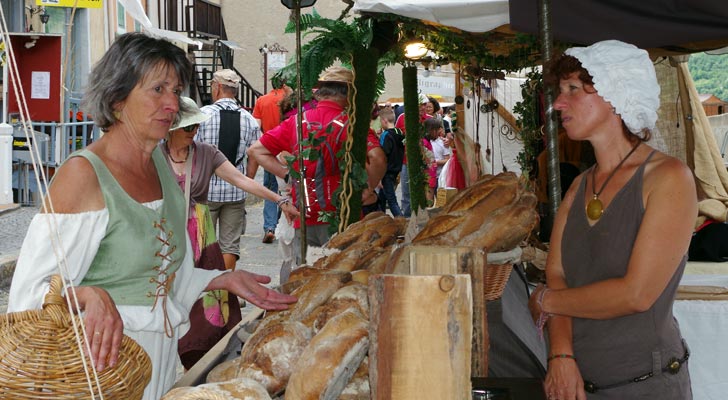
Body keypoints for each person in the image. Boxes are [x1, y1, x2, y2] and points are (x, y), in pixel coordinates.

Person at [6, 33, 297, 400]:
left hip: (158, 359)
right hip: (97, 370)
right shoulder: (83, 175)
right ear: (117, 98)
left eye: (176, 90)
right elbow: (27, 298)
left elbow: (162, 273)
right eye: (158, 89)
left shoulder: (159, 163)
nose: (172, 104)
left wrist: (221, 279)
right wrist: (85, 294)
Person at [527, 40, 696, 400]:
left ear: (617, 92)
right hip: (575, 384)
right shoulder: (578, 186)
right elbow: (556, 275)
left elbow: (636, 294)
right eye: (561, 91)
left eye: (573, 89)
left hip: (645, 386)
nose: (559, 103)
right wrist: (560, 354)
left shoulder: (668, 178)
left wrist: (546, 302)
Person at [161, 97, 299, 369]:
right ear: (171, 128)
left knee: (208, 305)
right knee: (166, 298)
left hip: (200, 236)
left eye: (196, 127)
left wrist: (279, 200)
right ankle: (165, 351)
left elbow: (242, 180)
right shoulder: (153, 155)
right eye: (188, 128)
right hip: (164, 235)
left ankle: (198, 363)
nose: (194, 132)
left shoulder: (207, 153)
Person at [248, 66, 383, 282]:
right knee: (340, 277)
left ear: (320, 92)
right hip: (343, 215)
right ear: (349, 94)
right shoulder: (352, 124)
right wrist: (367, 188)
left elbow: (256, 151)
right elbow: (377, 158)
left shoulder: (296, 122)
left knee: (308, 277)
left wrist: (287, 174)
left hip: (305, 214)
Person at [196, 69, 261, 271]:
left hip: (205, 191)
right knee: (230, 246)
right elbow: (255, 153)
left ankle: (205, 295)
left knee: (204, 244)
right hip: (235, 192)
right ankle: (226, 295)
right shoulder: (249, 119)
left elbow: (193, 150)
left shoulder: (203, 115)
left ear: (217, 88)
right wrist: (246, 179)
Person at [252, 76, 293, 244]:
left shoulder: (262, 100)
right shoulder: (290, 98)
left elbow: (256, 125)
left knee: (270, 188)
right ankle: (281, 222)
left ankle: (269, 226)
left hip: (270, 148)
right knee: (287, 189)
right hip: (290, 149)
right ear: (285, 83)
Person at [377, 107, 405, 216]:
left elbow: (383, 155)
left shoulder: (386, 135)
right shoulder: (399, 132)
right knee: (382, 198)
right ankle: (381, 217)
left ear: (384, 120)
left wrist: (379, 176)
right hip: (396, 169)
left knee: (392, 201)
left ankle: (402, 221)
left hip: (386, 172)